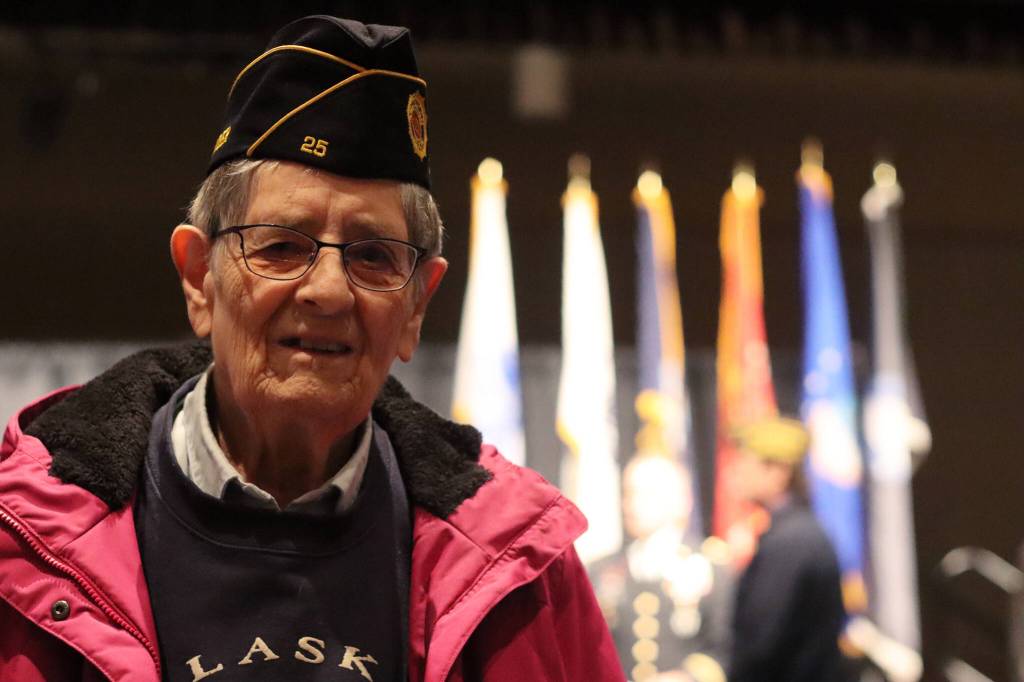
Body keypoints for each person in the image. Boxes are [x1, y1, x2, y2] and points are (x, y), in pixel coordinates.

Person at [0, 15, 623, 682]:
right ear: (198, 278)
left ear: (416, 303)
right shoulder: (23, 552)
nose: (328, 291)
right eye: (281, 246)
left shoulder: (525, 570)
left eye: (374, 256)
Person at [590, 452, 733, 682]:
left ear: (682, 501)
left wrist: (687, 677)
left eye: (648, 495)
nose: (633, 504)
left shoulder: (710, 567)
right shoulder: (601, 572)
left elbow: (724, 648)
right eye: (628, 494)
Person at [728, 415, 846, 682]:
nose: (735, 471)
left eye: (745, 462)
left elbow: (759, 645)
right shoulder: (797, 533)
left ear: (778, 472)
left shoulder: (790, 544)